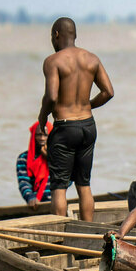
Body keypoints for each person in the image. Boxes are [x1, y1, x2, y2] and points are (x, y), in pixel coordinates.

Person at [37, 17, 114, 221]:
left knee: (59, 186)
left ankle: (58, 236)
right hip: (88, 126)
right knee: (84, 184)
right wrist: (88, 105)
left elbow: (52, 96)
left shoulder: (53, 61)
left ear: (56, 35)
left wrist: (42, 120)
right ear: (75, 35)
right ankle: (88, 233)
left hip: (65, 128)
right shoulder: (92, 59)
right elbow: (108, 92)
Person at [17, 121, 53, 209]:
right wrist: (30, 198)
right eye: (38, 135)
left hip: (55, 202)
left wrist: (51, 158)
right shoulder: (23, 158)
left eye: (46, 135)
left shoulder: (59, 158)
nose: (42, 138)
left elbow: (67, 180)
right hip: (35, 205)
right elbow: (23, 182)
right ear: (33, 136)